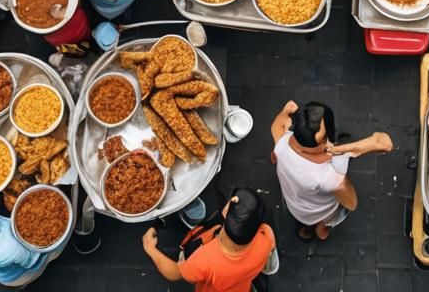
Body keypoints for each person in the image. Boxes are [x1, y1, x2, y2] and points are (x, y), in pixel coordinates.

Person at [271, 99, 392, 241]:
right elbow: (351, 204)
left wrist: (287, 110)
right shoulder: (330, 176)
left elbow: (277, 124)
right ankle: (321, 232)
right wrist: (344, 150)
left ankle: (303, 231)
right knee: (324, 227)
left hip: (293, 204)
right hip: (320, 213)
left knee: (303, 221)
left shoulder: (281, 143)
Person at [143, 187, 275, 290]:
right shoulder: (266, 236)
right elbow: (271, 249)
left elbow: (175, 273)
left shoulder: (205, 259)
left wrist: (149, 247)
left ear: (226, 210)